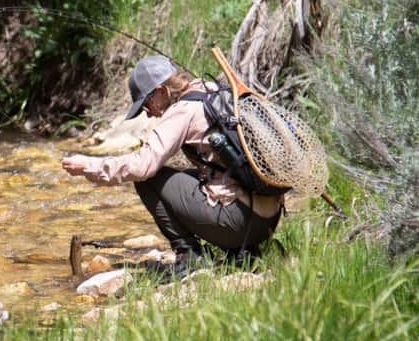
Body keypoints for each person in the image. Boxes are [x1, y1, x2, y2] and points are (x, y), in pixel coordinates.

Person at [61, 55, 282, 277]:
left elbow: (142, 166)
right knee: (191, 176)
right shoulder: (213, 90)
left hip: (240, 224)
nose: (147, 112)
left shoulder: (183, 110)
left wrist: (89, 165)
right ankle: (246, 251)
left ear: (161, 91)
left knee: (149, 180)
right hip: (268, 219)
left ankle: (190, 256)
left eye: (146, 103)